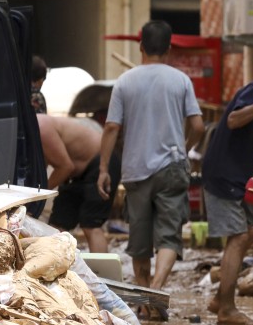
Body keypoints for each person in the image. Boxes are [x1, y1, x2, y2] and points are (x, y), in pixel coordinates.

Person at [98, 20, 204, 298]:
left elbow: (111, 128)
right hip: (172, 167)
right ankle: (157, 290)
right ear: (169, 49)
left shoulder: (124, 82)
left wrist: (103, 169)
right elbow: (198, 126)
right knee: (169, 236)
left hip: (136, 171)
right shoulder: (181, 80)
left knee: (139, 241)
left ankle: (145, 296)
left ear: (141, 46)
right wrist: (183, 146)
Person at [202, 79, 253, 325]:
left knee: (247, 235)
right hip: (224, 173)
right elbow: (233, 119)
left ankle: (220, 298)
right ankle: (226, 308)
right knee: (239, 236)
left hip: (240, 176)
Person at [37, 113, 120, 253]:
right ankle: (52, 267)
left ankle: (101, 273)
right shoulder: (32, 132)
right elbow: (43, 166)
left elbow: (65, 167)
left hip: (102, 164)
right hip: (76, 173)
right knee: (57, 225)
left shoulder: (41, 127)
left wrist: (39, 194)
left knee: (91, 224)